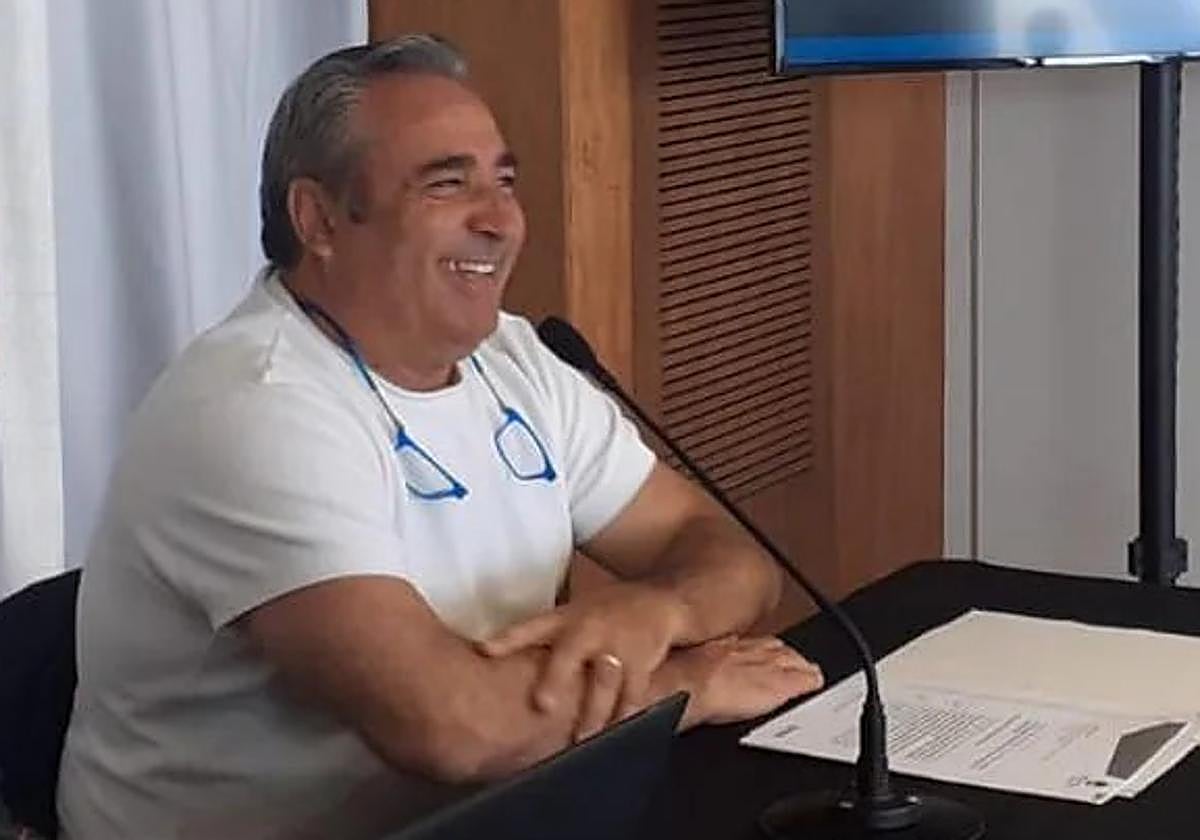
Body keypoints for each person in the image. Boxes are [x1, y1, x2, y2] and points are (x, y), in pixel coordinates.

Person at [56, 35, 824, 839]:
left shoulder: (517, 360)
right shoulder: (255, 408)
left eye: (504, 182)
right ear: (318, 218)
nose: (499, 221)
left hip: (493, 809)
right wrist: (683, 687)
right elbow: (454, 728)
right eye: (448, 184)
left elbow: (729, 555)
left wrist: (658, 610)